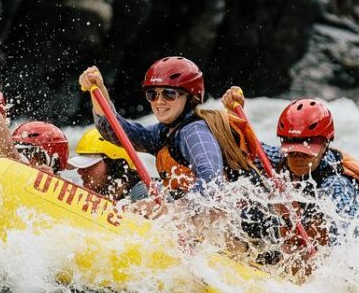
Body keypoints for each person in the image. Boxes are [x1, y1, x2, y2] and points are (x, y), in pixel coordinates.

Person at [77, 58, 256, 206]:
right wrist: (99, 91)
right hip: (207, 213)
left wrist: (172, 211)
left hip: (245, 219)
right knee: (147, 190)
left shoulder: (194, 132)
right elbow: (115, 132)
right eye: (152, 94)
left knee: (145, 192)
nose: (159, 101)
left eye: (169, 94)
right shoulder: (165, 132)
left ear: (190, 96)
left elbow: (212, 183)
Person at [219, 91, 359, 247]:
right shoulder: (280, 158)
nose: (298, 158)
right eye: (292, 151)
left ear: (324, 146)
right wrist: (233, 113)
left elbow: (349, 245)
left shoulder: (337, 186)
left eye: (306, 152)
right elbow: (246, 147)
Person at [67, 129, 145, 202]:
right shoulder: (99, 197)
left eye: (90, 165)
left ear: (115, 166)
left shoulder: (143, 195)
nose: (80, 171)